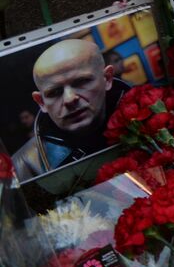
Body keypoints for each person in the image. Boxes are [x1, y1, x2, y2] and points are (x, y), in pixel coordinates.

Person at [12, 38, 130, 181]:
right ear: (41, 102)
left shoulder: (155, 118)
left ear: (107, 78)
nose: (69, 99)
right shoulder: (22, 167)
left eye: (81, 82)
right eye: (54, 92)